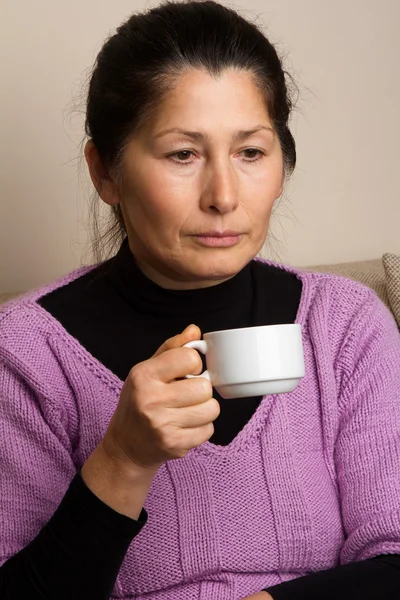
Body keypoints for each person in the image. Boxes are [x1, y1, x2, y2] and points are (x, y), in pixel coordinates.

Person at [0, 1, 399, 598]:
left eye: (251, 152)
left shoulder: (344, 324)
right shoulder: (25, 352)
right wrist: (125, 459)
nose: (223, 195)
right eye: (183, 154)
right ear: (105, 172)